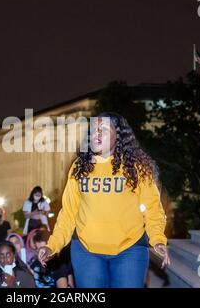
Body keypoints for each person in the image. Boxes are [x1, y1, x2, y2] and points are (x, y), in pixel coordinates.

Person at [38, 112, 170, 288]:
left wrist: (157, 239)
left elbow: (153, 209)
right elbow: (68, 213)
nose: (96, 133)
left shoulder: (137, 168)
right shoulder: (79, 168)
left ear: (119, 136)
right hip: (86, 252)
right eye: (94, 129)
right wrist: (52, 246)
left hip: (129, 250)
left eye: (104, 129)